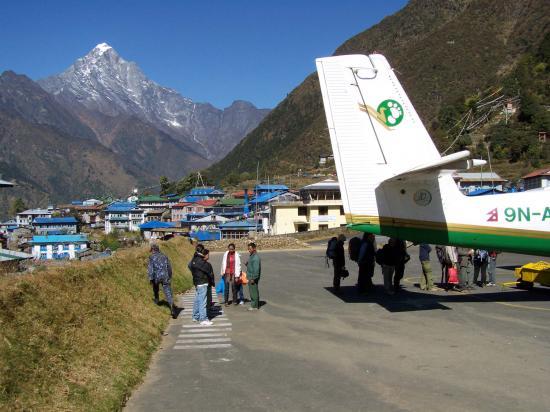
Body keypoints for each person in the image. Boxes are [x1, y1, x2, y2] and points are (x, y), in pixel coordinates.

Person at [148, 244, 177, 319]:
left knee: (155, 287)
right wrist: (169, 276)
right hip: (165, 276)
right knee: (168, 292)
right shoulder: (164, 256)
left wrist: (150, 278)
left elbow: (150, 268)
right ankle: (172, 307)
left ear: (153, 250)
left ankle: (157, 300)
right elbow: (169, 267)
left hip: (156, 277)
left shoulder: (151, 257)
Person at [190, 247, 215, 326]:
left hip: (197, 281)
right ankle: (203, 319)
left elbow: (189, 266)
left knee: (197, 299)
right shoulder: (201, 261)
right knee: (202, 302)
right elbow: (208, 270)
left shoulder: (194, 259)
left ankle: (195, 316)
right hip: (202, 282)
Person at [246, 242, 261, 311]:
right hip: (250, 276)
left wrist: (253, 278)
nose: (249, 250)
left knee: (254, 292)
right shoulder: (252, 256)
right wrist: (247, 264)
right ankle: (254, 304)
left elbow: (256, 269)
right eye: (248, 249)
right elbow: (252, 266)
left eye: (250, 249)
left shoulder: (255, 257)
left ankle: (255, 306)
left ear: (254, 248)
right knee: (252, 291)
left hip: (253, 277)